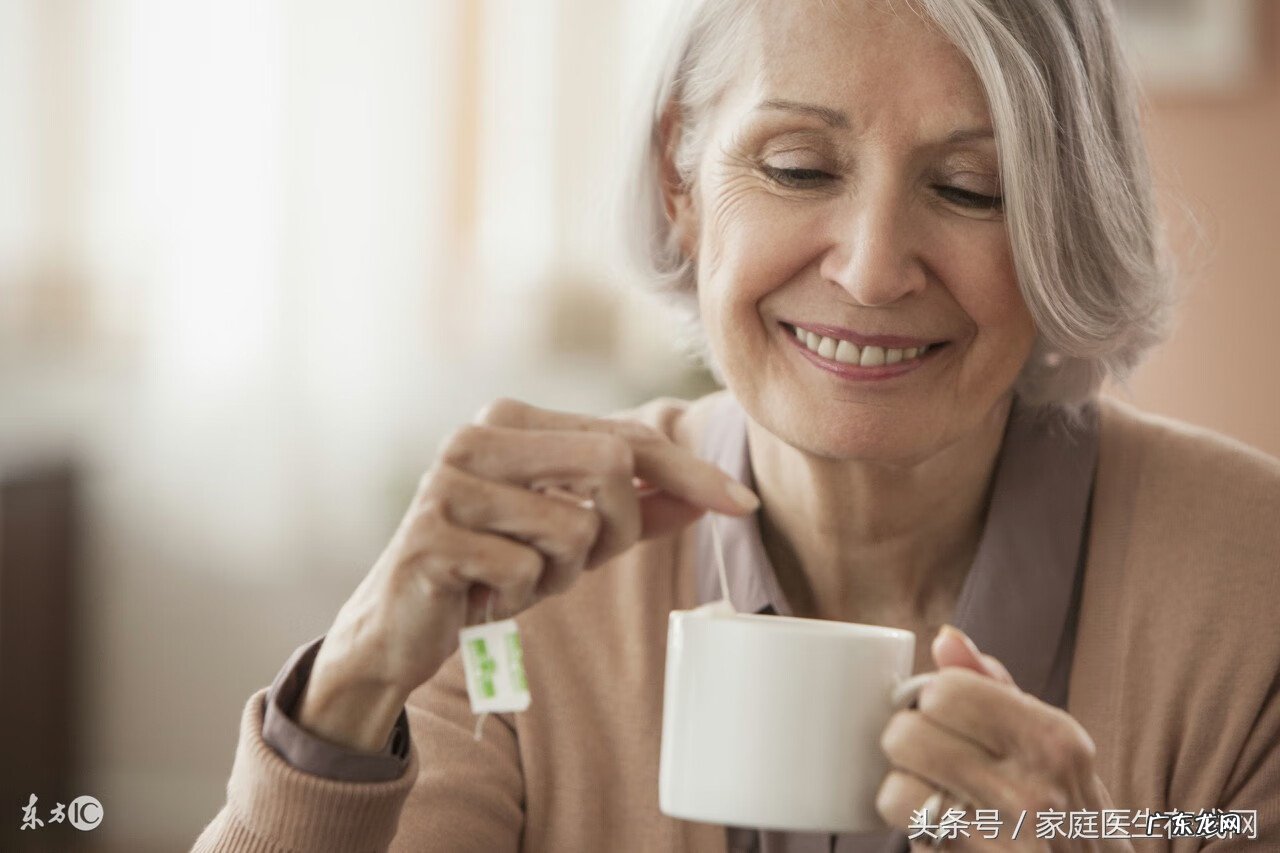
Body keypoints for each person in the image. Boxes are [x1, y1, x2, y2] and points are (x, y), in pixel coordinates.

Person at [193, 0, 1280, 850]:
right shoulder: (525, 588)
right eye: (798, 167)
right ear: (679, 179)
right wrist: (348, 690)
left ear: (1061, 221)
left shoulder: (1251, 592)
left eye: (969, 188)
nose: (868, 267)